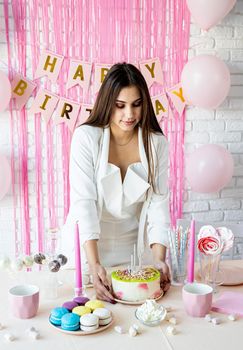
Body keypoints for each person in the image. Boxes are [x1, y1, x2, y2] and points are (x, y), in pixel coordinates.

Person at [65, 62, 171, 303]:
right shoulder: (86, 138)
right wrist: (94, 265)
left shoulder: (156, 144)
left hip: (133, 253)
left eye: (136, 104)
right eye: (120, 106)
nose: (130, 115)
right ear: (107, 103)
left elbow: (158, 204)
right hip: (88, 250)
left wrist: (158, 259)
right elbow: (85, 204)